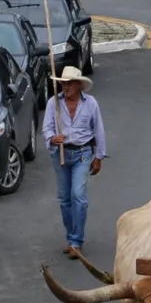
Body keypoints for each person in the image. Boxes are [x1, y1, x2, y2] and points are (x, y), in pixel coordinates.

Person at [42, 66, 107, 259]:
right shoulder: (53, 102)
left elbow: (99, 130)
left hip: (82, 153)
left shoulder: (91, 103)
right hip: (60, 154)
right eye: (63, 82)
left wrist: (98, 157)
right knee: (64, 198)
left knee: (78, 195)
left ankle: (76, 241)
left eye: (70, 83)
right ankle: (71, 237)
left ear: (79, 85)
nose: (66, 86)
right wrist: (53, 138)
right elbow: (46, 128)